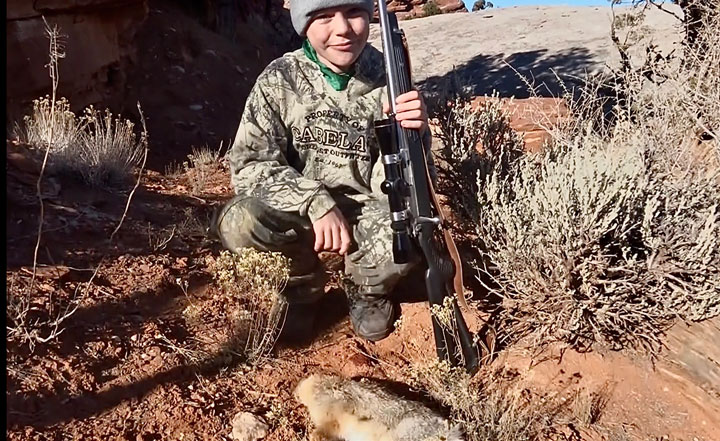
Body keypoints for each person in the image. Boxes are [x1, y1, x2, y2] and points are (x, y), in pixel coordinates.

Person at [211, 0, 435, 342]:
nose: (343, 29)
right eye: (324, 16)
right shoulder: (279, 79)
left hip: (365, 216)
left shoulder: (389, 74)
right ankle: (302, 291)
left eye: (354, 13)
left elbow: (405, 186)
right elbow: (248, 166)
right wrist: (314, 201)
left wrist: (413, 135)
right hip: (302, 217)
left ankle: (366, 289)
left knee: (416, 226)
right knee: (239, 222)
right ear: (303, 25)